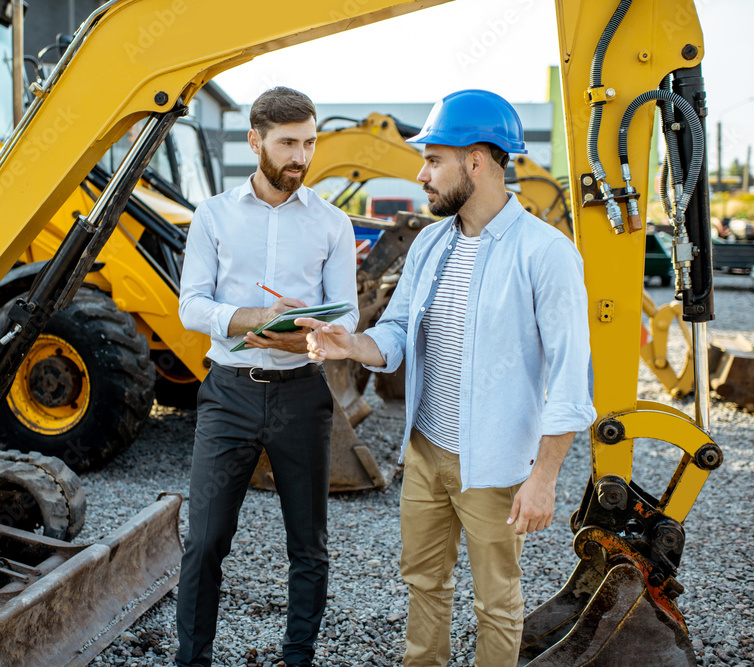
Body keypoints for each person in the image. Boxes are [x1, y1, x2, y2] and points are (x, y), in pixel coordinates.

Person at [295, 89, 596, 667]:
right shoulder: (432, 242)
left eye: (434, 160)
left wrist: (545, 478)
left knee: (496, 602)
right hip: (425, 452)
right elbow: (400, 330)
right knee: (424, 584)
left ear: (476, 161)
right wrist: (352, 344)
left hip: (494, 465)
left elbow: (570, 381)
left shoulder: (545, 253)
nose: (422, 174)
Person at [176, 86, 359, 667]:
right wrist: (248, 317)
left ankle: (297, 657)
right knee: (204, 541)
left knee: (308, 544)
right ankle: (192, 660)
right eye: (287, 143)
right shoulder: (213, 215)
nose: (299, 156)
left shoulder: (332, 224)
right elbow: (191, 306)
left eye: (308, 142)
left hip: (303, 393)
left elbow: (349, 314)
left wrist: (307, 336)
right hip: (228, 391)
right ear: (255, 141)